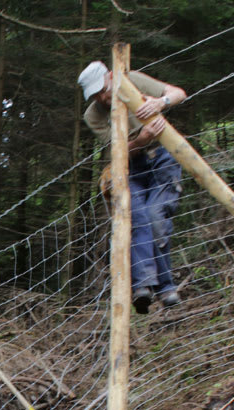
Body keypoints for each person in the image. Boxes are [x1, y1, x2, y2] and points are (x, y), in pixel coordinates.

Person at [78, 59, 187, 313]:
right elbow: (118, 151)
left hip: (163, 156)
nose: (102, 98)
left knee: (155, 216)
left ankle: (166, 288)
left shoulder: (133, 81)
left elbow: (178, 93)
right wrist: (140, 140)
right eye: (95, 95)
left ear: (110, 77)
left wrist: (160, 103)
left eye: (103, 90)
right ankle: (143, 288)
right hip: (130, 166)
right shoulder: (93, 115)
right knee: (137, 219)